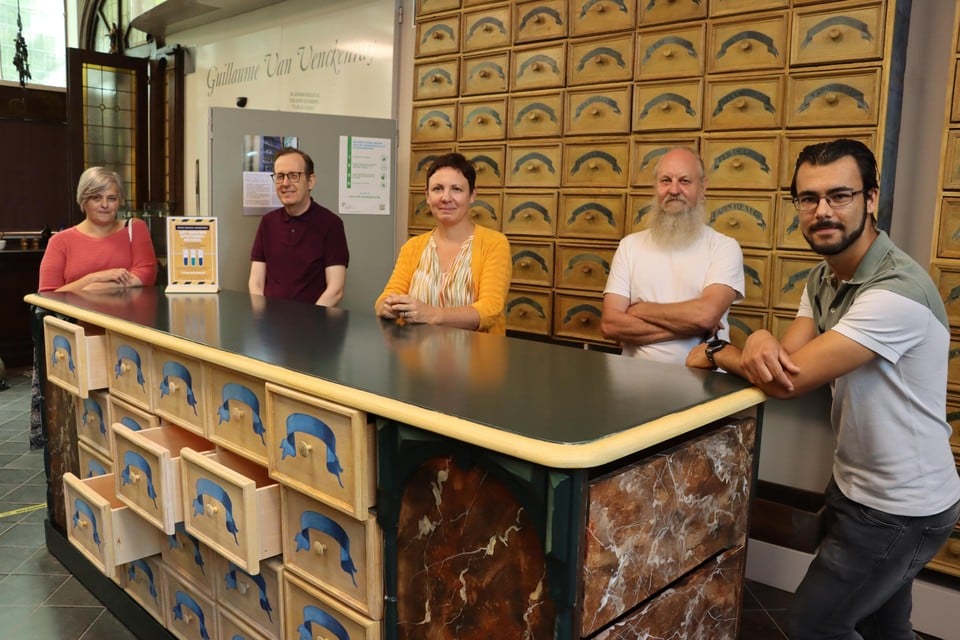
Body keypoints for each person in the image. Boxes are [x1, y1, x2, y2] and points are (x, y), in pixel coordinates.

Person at [687, 139, 960, 639]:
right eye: (808, 199)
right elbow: (787, 359)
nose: (822, 211)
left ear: (871, 199)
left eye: (840, 195)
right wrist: (764, 340)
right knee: (883, 626)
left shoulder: (895, 293)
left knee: (816, 623)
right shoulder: (824, 276)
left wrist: (713, 351)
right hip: (857, 490)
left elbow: (786, 380)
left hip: (901, 506)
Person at [600, 146, 744, 362]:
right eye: (665, 180)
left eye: (685, 181)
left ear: (703, 187)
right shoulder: (629, 246)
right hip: (633, 382)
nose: (674, 190)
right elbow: (610, 325)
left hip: (704, 382)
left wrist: (640, 310)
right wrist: (694, 327)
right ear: (656, 186)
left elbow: (705, 315)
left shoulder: (724, 247)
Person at [375, 152, 511, 334]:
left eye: (456, 189)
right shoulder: (413, 246)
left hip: (475, 359)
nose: (446, 198)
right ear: (427, 195)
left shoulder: (494, 243)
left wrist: (432, 314)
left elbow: (490, 309)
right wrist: (387, 306)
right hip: (417, 358)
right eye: (437, 189)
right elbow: (385, 297)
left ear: (472, 195)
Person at [248, 147, 349, 306]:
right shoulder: (267, 223)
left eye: (294, 176)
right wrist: (262, 318)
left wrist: (308, 322)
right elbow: (256, 282)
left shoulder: (331, 224)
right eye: (280, 176)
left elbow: (335, 290)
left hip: (314, 325)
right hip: (271, 324)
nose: (285, 183)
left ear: (310, 181)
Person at [38, 166, 157, 292]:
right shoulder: (59, 241)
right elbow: (47, 296)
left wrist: (91, 288)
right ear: (83, 200)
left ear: (120, 201)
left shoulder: (135, 228)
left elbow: (146, 275)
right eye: (96, 198)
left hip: (127, 311)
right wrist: (93, 278)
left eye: (112, 198)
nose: (105, 205)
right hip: (76, 311)